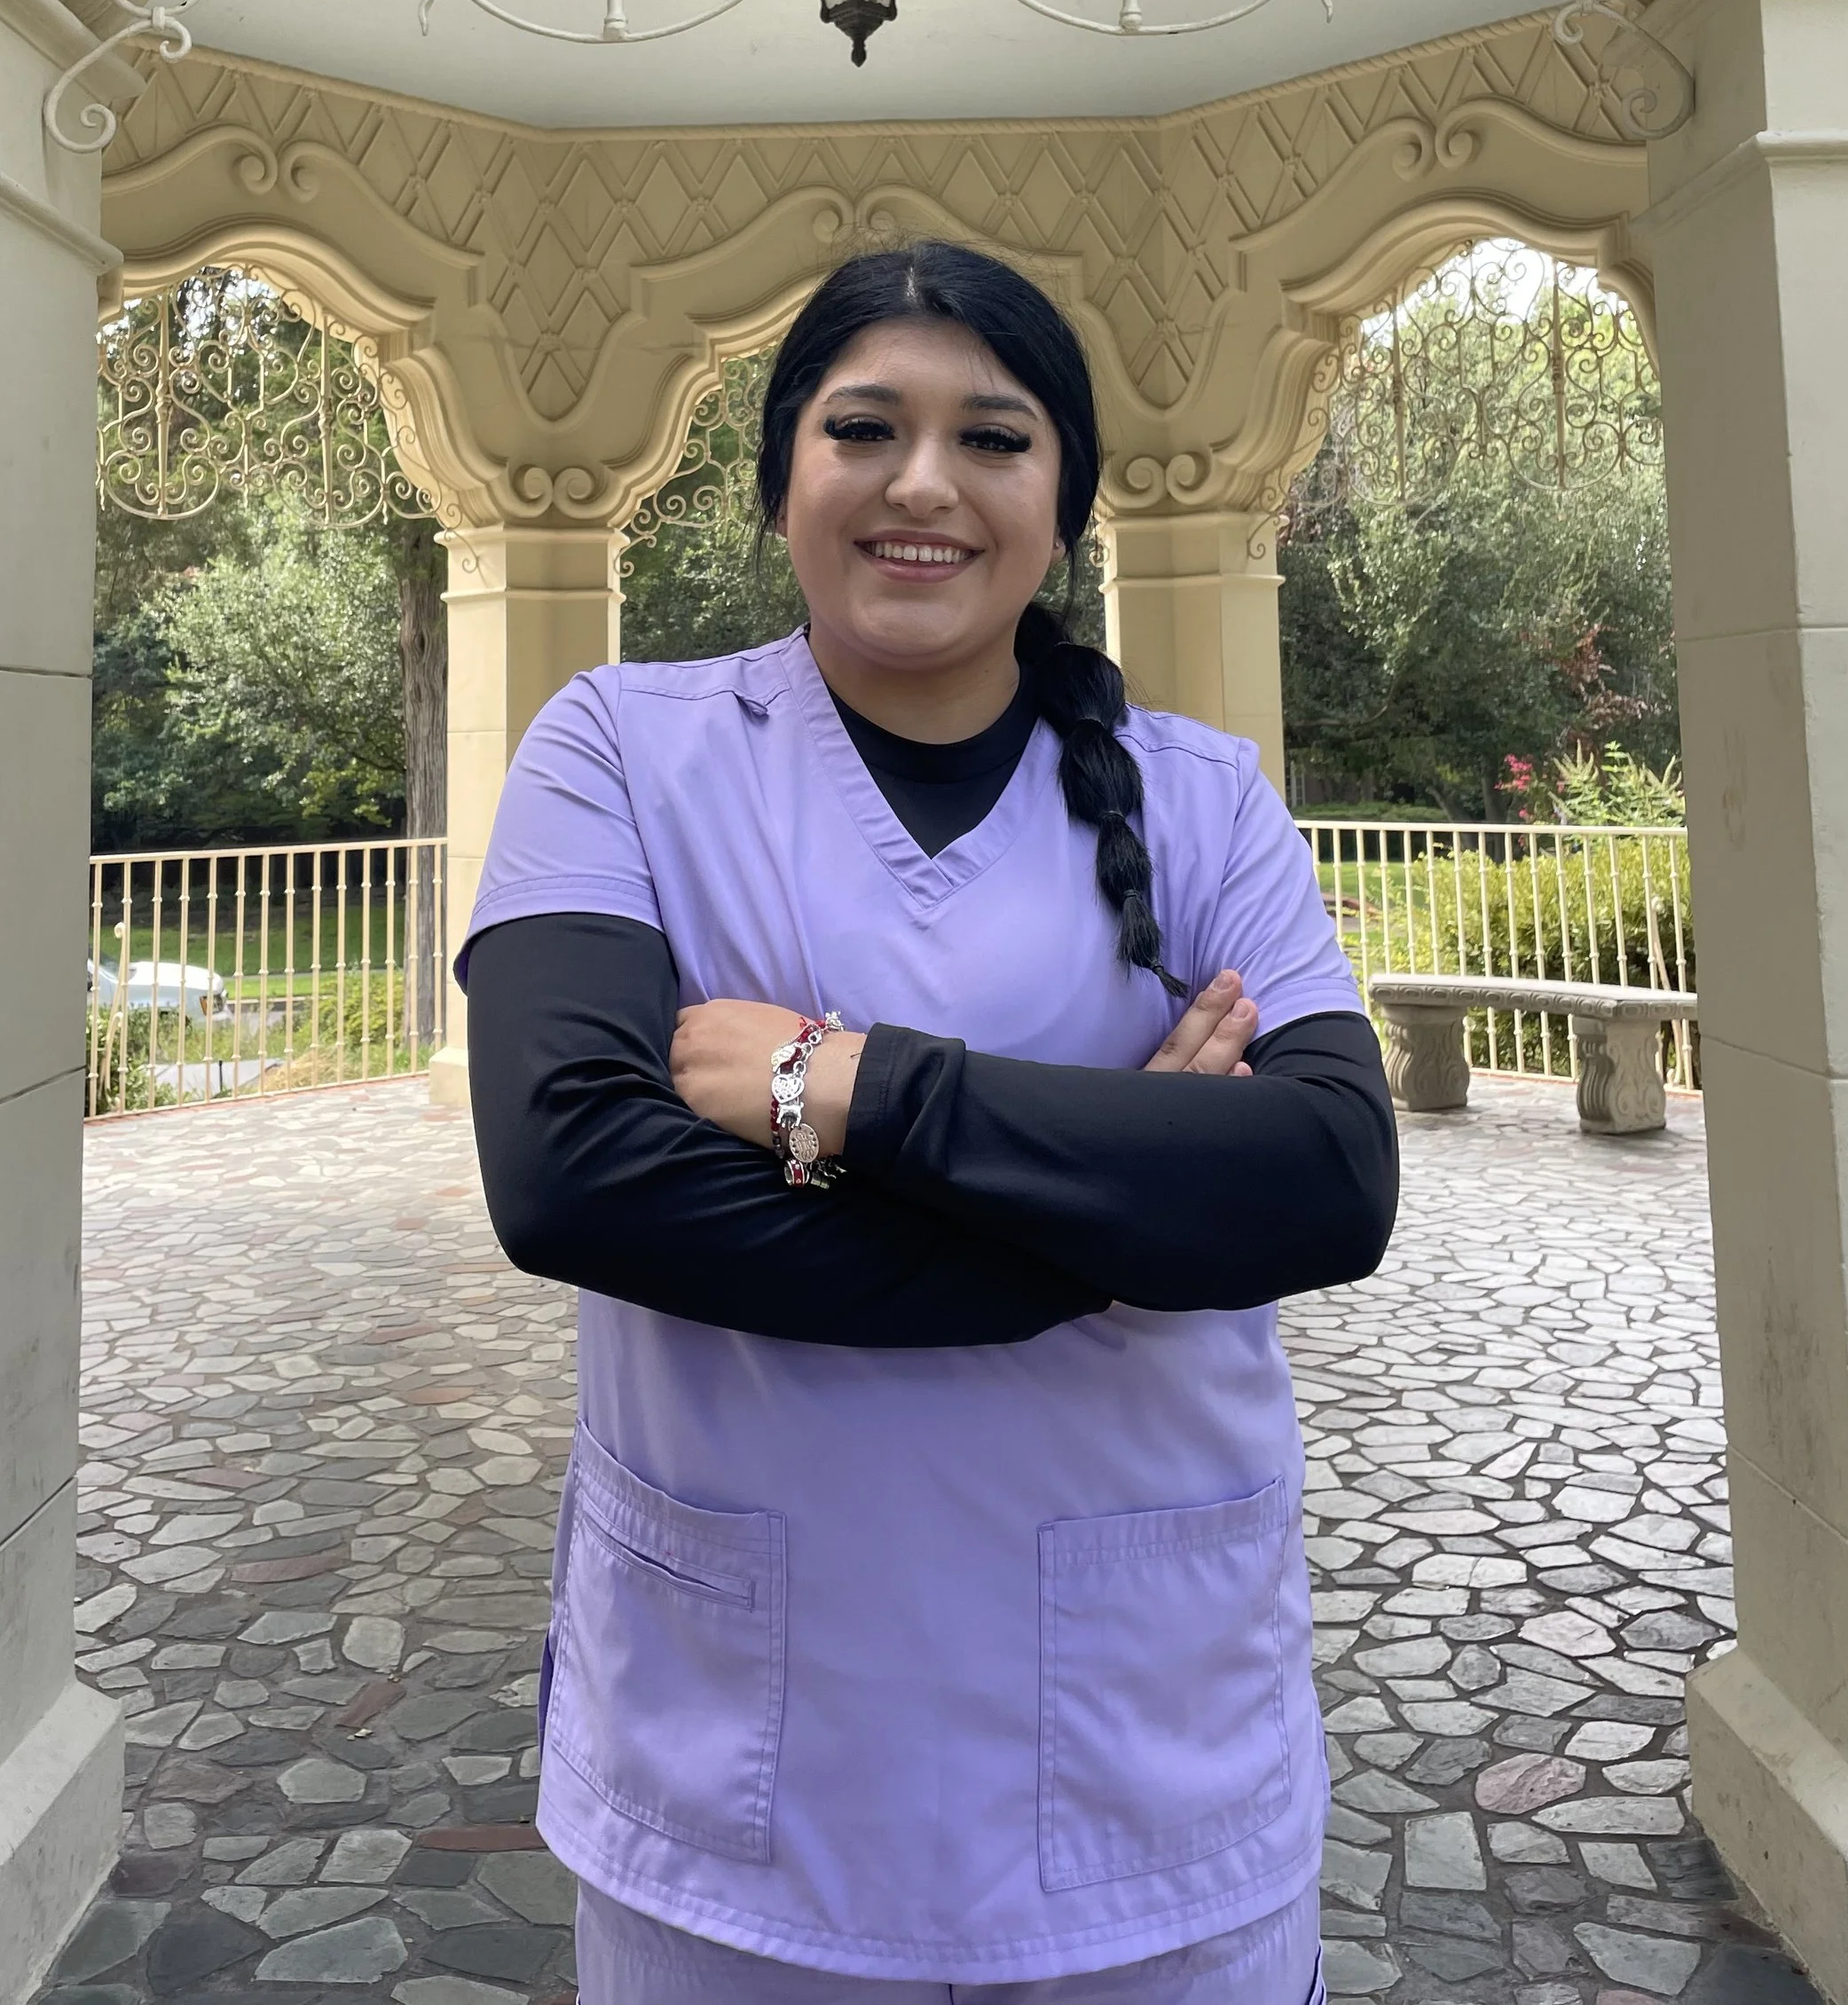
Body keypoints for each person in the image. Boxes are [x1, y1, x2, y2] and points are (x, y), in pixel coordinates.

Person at [459, 242, 1396, 2005]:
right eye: (862, 426)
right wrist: (1103, 1211)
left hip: (1149, 1768)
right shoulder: (618, 758)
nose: (920, 482)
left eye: (992, 436)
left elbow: (1325, 1181)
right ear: (778, 479)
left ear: (1063, 502)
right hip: (746, 1781)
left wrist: (849, 1088)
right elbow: (571, 1168)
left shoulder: (1203, 804)